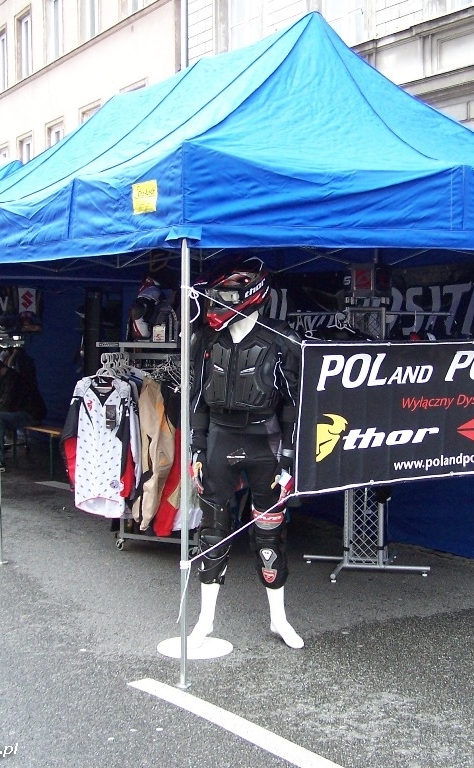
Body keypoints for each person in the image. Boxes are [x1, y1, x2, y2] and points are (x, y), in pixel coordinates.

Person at [188, 257, 304, 649]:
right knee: (212, 533)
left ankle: (279, 620)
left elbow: (294, 405)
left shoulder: (283, 340)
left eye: (224, 296)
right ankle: (205, 621)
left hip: (265, 442)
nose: (216, 303)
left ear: (251, 294)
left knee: (269, 536)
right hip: (219, 437)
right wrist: (197, 447)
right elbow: (199, 398)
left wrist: (288, 456)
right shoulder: (207, 339)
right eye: (215, 295)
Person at [0, 353, 43, 472]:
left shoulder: (14, 379)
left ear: (0, 369)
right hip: (16, 411)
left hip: (30, 413)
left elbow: (9, 404)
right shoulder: (1, 379)